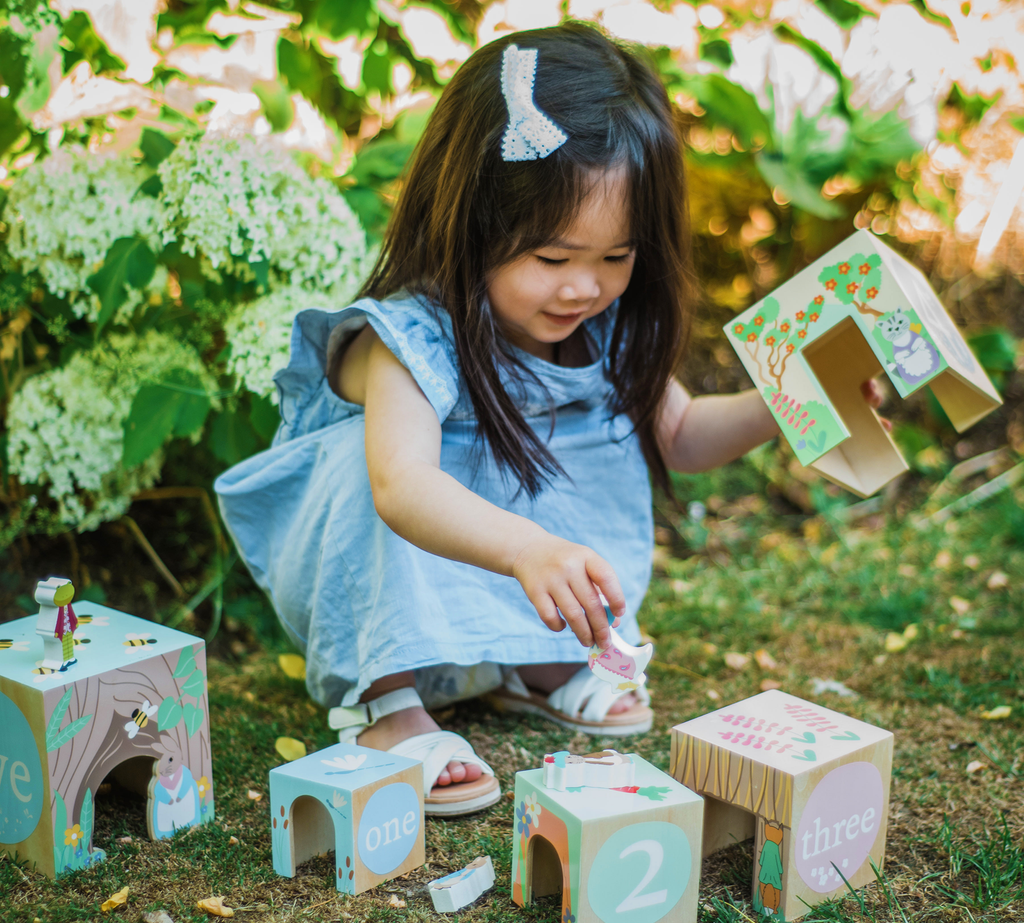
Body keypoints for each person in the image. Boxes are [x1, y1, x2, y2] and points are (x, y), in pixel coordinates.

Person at [215, 24, 884, 817]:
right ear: (472, 225)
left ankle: (532, 665)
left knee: (580, 441)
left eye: (615, 257)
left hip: (493, 601)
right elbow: (400, 487)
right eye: (553, 258)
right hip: (392, 611)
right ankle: (388, 711)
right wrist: (530, 549)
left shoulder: (602, 328)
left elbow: (680, 435)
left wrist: (787, 399)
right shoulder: (408, 336)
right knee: (371, 468)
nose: (584, 288)